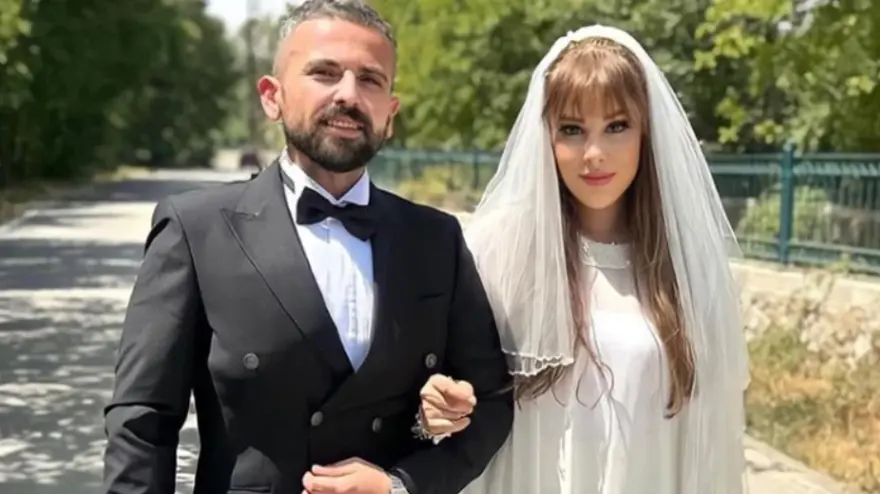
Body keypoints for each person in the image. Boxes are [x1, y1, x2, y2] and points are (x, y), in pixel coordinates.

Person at [101, 1, 513, 493]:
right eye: (324, 73)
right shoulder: (196, 231)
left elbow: (491, 402)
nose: (349, 94)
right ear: (272, 97)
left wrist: (403, 482)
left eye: (370, 79)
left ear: (390, 114)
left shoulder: (435, 238)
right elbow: (143, 420)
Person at [418, 25, 750, 493]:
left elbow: (711, 441)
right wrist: (434, 409)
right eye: (572, 130)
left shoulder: (686, 266)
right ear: (546, 138)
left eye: (617, 126)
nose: (594, 154)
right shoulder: (496, 251)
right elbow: (442, 392)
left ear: (646, 133)